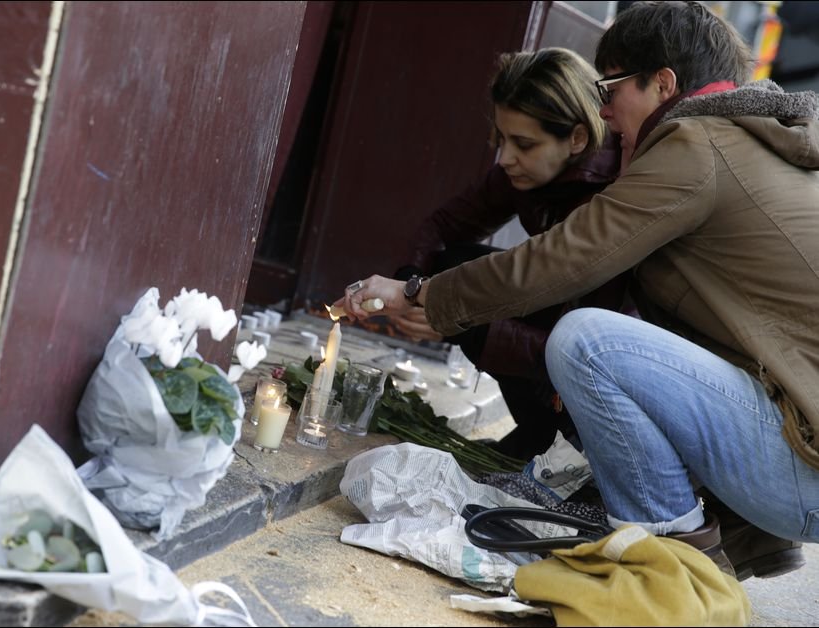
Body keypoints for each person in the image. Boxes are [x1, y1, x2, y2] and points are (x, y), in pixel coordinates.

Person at [336, 1, 817, 581]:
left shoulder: (698, 145)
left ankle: (668, 568)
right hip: (794, 460)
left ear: (663, 83)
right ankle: (705, 544)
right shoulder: (740, 141)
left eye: (610, 87)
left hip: (801, 467)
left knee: (587, 340)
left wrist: (423, 297)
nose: (606, 107)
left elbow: (560, 261)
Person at [388, 47, 631, 460]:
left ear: (577, 138)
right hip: (556, 322)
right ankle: (534, 431)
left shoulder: (614, 193)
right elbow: (444, 228)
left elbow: (592, 346)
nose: (505, 158)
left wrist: (460, 320)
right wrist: (411, 283)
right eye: (502, 140)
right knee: (454, 267)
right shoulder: (527, 171)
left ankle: (555, 444)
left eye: (523, 144)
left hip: (610, 363)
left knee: (466, 296)